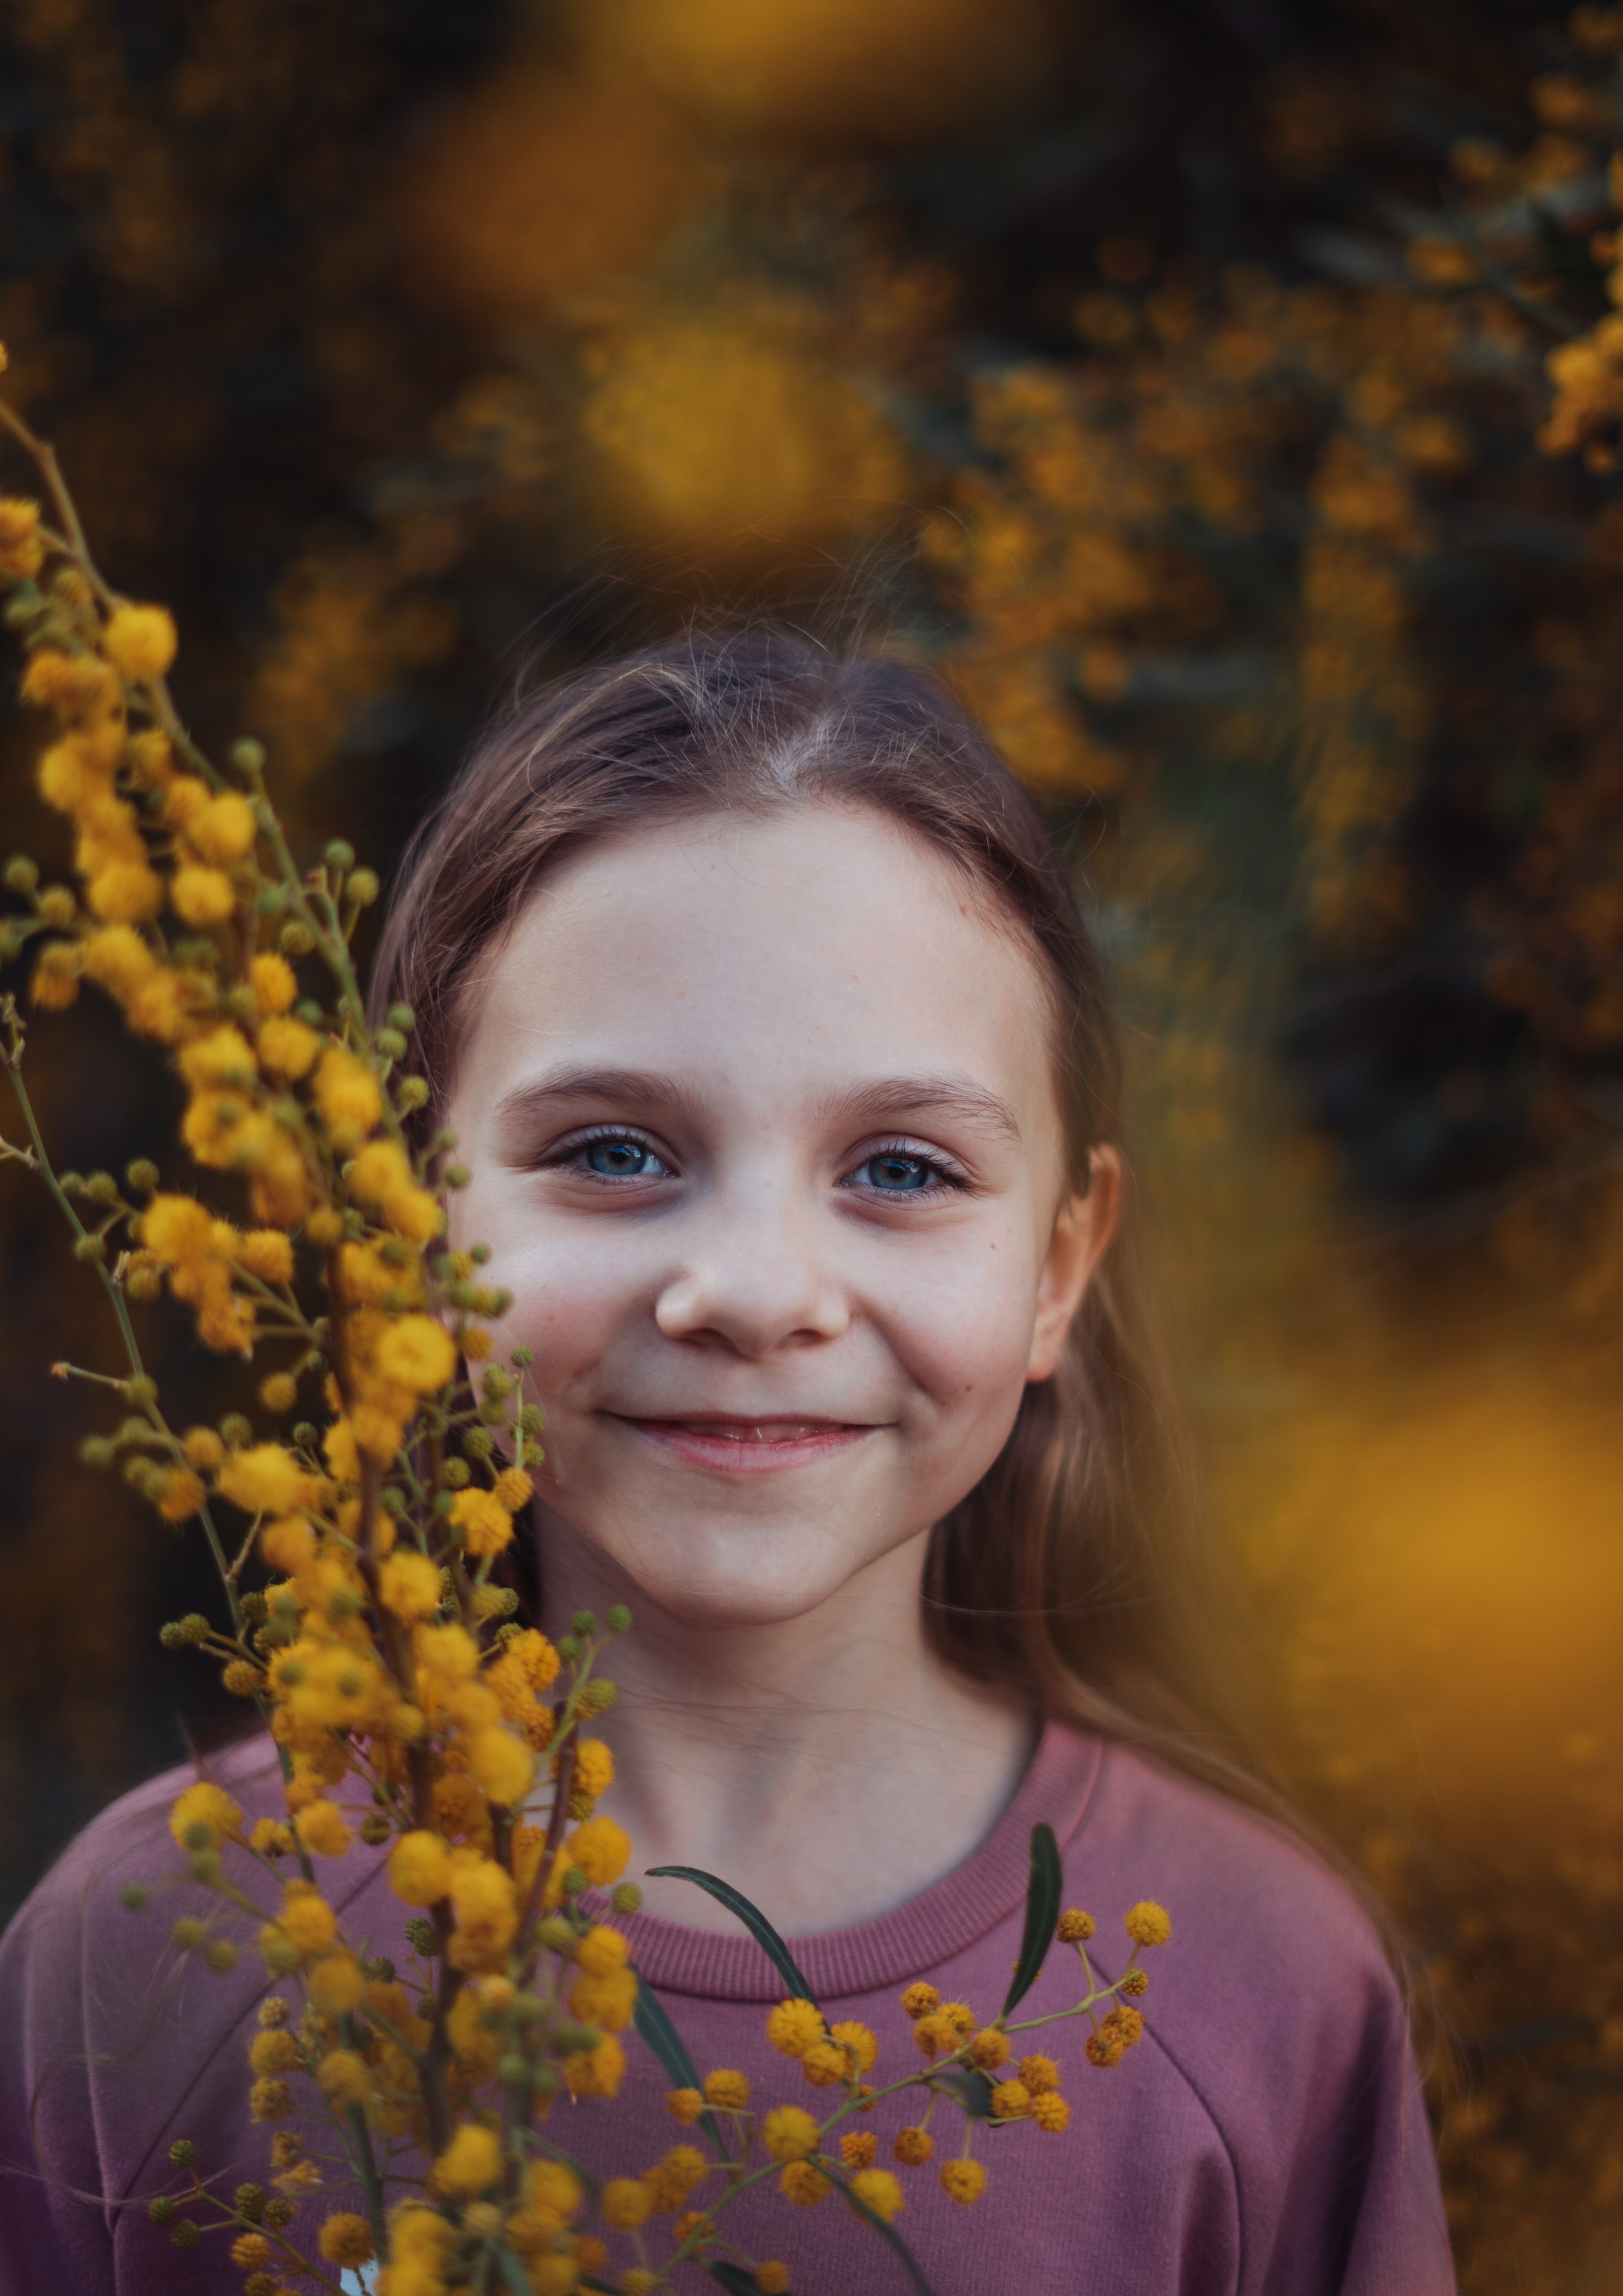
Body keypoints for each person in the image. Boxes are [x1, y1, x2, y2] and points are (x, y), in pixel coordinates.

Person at [0, 633, 1455, 2293]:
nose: (759, 1294)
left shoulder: (1259, 1999)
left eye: (902, 1168)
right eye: (613, 1152)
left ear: (1060, 1268)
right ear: (406, 1223)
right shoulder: (149, 1964)